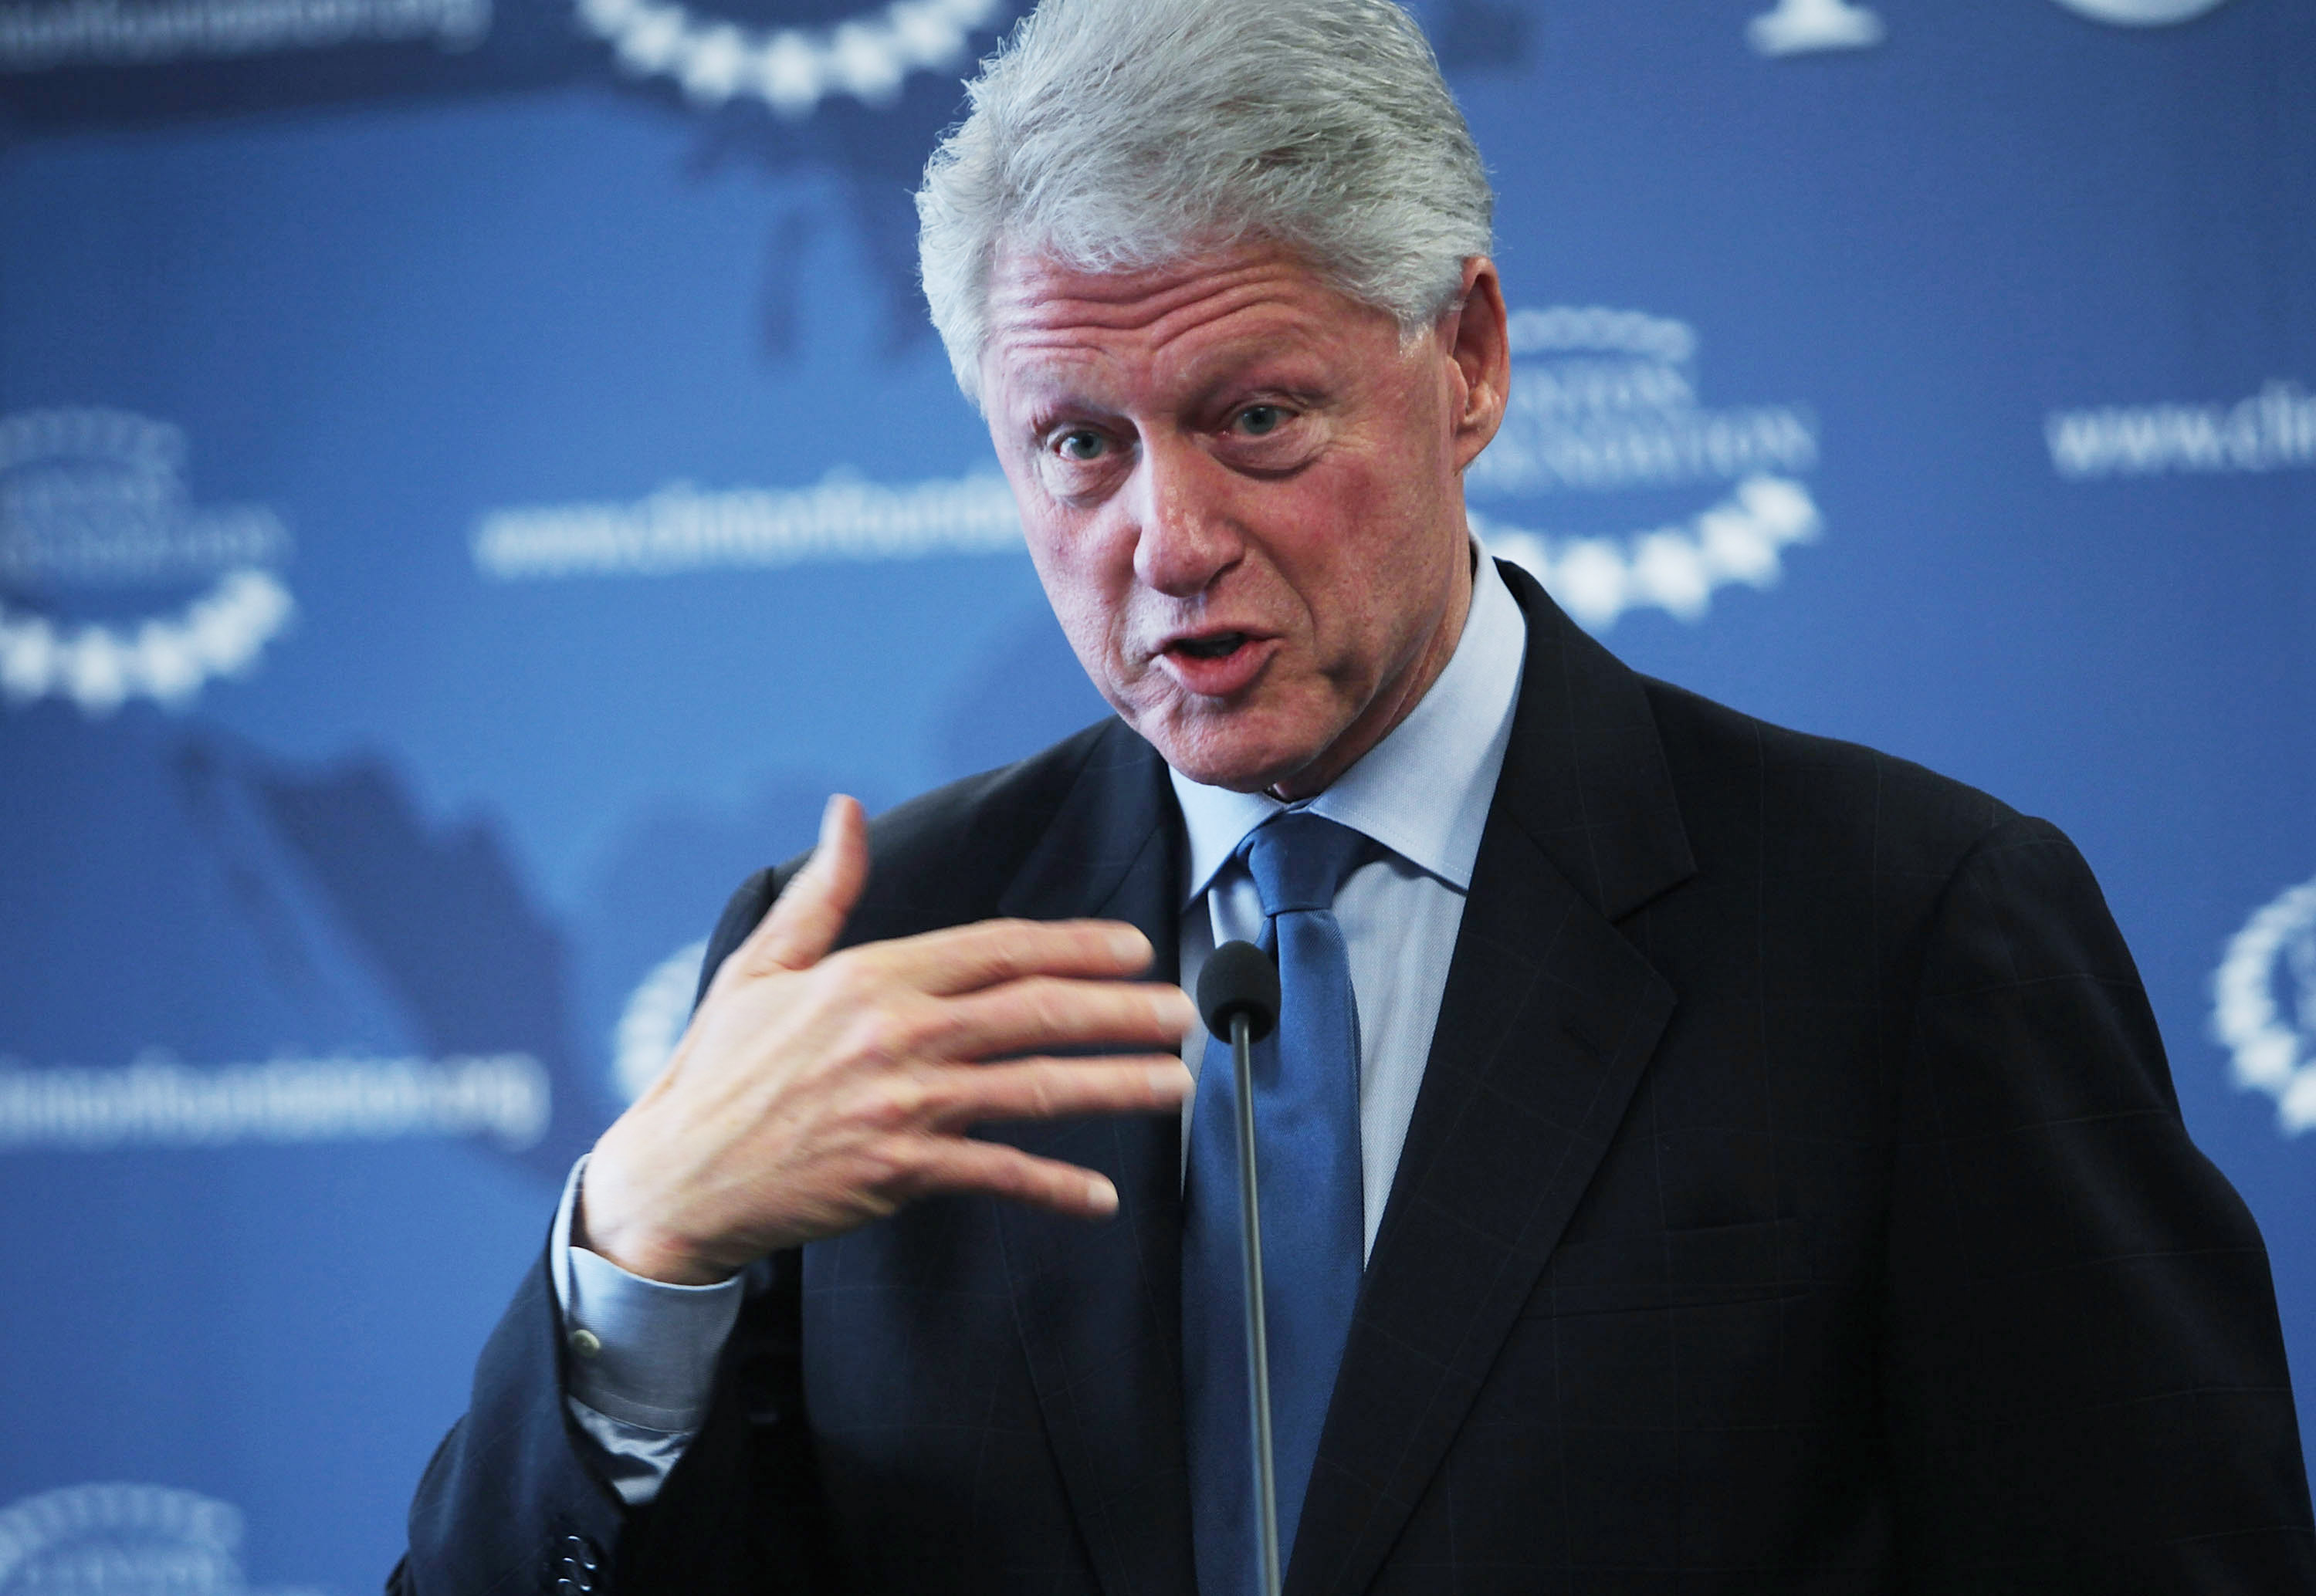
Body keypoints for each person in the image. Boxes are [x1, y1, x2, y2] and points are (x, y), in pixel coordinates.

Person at [394, 0, 2316, 1589]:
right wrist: (637, 1259)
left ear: (1466, 358)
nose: (1168, 539)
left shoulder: (1906, 928)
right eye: (1079, 444)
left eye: (1255, 418)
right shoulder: (871, 962)